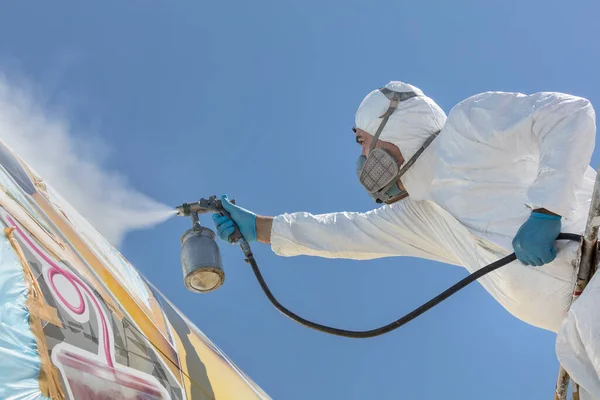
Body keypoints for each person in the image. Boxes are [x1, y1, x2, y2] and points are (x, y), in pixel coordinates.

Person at [212, 81, 599, 398]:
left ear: (392, 122)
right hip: (579, 335)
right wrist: (262, 228)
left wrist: (547, 210)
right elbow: (342, 231)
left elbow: (568, 113)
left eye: (363, 141)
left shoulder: (468, 128)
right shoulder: (421, 216)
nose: (363, 157)